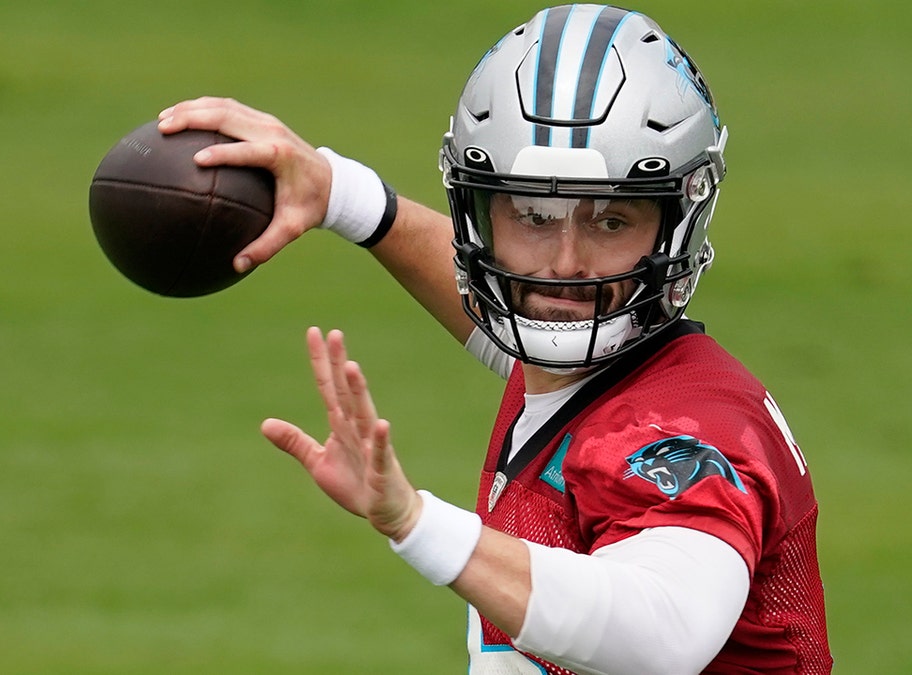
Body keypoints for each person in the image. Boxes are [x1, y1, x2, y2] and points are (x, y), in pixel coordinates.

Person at [158, 5, 831, 673]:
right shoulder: (580, 370)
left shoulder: (687, 432)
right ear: (481, 218)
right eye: (534, 214)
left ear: (675, 222)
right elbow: (514, 320)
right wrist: (343, 195)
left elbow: (664, 632)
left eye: (612, 220)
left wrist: (417, 523)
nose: (564, 262)